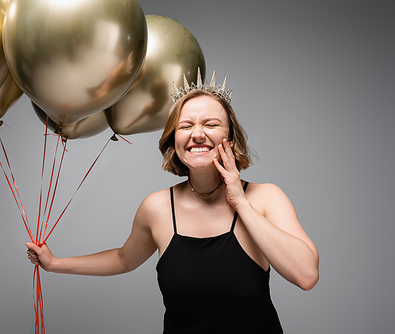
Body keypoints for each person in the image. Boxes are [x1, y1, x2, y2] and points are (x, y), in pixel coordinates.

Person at [26, 71, 319, 333]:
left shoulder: (266, 198)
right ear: (173, 139)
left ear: (229, 136)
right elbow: (123, 259)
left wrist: (240, 202)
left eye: (211, 123)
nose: (197, 134)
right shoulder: (156, 208)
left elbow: (306, 276)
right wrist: (56, 264)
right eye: (185, 126)